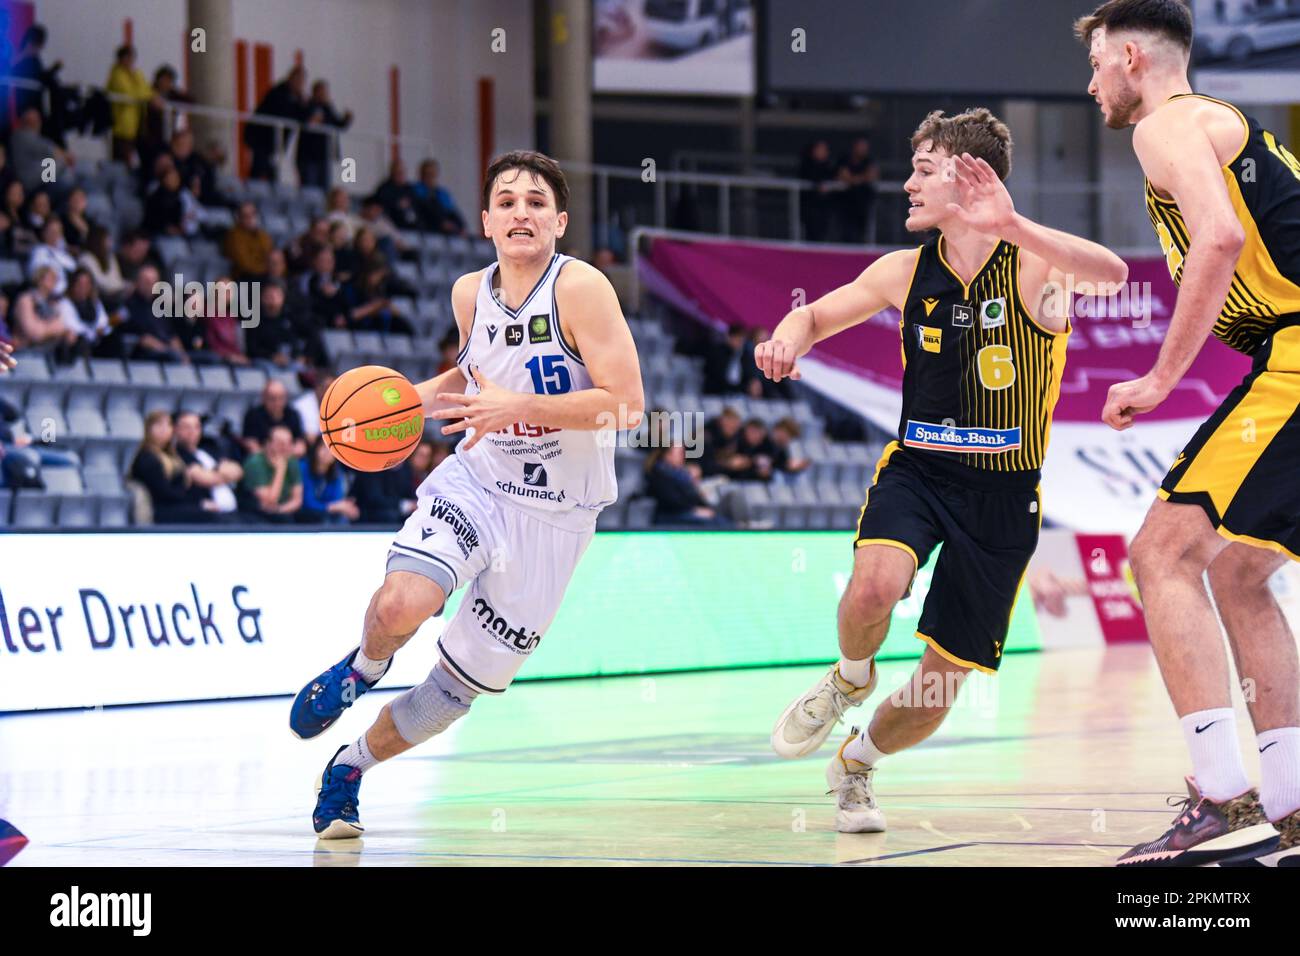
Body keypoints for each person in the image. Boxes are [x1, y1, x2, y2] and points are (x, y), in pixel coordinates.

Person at [759, 108, 1127, 834]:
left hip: (1004, 493)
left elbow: (1112, 274)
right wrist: (785, 337)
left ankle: (856, 764)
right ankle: (849, 678)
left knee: (938, 686)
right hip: (919, 471)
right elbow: (814, 317)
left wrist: (1013, 224)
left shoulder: (1034, 269)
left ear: (967, 179)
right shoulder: (903, 271)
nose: (906, 184)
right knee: (874, 586)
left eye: (923, 170)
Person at [288, 149, 645, 839]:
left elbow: (626, 406)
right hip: (480, 478)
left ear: (559, 222)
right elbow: (472, 379)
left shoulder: (581, 289)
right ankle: (360, 669)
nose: (521, 211)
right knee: (401, 602)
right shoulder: (468, 293)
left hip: (558, 517)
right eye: (506, 201)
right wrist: (399, 407)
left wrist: (521, 405)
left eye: (536, 202)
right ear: (485, 221)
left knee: (452, 695)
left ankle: (349, 767)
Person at [1079, 0, 1300, 867]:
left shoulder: (1167, 124)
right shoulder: (1233, 128)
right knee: (1242, 573)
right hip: (1280, 355)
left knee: (1163, 551)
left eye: (1096, 63)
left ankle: (1221, 796)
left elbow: (1218, 236)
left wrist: (1162, 378)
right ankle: (1287, 805)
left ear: (1132, 57)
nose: (1090, 82)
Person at [129, 411, 214, 524]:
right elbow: (163, 493)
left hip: (176, 505)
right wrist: (198, 503)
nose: (164, 429)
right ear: (148, 429)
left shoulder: (172, 456)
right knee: (210, 517)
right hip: (161, 510)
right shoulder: (147, 458)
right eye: (158, 425)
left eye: (168, 425)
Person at [173, 410, 242, 520]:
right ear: (176, 430)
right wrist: (223, 472)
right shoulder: (178, 455)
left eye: (196, 427)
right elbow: (205, 479)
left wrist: (217, 473)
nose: (192, 431)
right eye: (187, 427)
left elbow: (238, 470)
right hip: (209, 515)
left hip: (232, 512)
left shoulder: (208, 449)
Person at [245, 66, 307, 182]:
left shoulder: (297, 98)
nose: (299, 83)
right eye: (297, 79)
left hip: (275, 142)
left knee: (272, 171)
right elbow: (282, 112)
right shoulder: (278, 92)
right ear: (290, 78)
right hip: (262, 138)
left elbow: (301, 117)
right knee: (259, 168)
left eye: (301, 81)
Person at [644, 443, 730, 526]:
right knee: (712, 522)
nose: (683, 456)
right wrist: (693, 510)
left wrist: (695, 487)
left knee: (717, 517)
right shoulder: (659, 474)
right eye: (680, 453)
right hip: (669, 515)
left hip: (685, 511)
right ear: (667, 455)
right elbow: (671, 502)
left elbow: (693, 498)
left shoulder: (681, 474)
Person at [240, 423, 303, 522]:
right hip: (255, 516)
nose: (286, 448)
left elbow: (297, 500)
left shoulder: (291, 461)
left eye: (289, 443)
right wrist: (280, 469)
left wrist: (279, 510)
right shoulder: (255, 463)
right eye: (281, 444)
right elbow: (269, 502)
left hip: (282, 512)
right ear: (268, 443)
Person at [296, 80, 352, 191]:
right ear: (315, 92)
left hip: (324, 155)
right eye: (322, 91)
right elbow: (303, 121)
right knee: (309, 188)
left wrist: (347, 119)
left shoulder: (328, 108)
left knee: (324, 189)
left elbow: (338, 124)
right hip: (308, 155)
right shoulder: (307, 105)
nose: (325, 94)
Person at [106, 45, 152, 166]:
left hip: (137, 125)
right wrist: (142, 94)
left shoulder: (136, 73)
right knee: (122, 158)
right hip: (122, 126)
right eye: (127, 57)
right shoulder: (116, 74)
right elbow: (128, 94)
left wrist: (142, 93)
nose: (130, 61)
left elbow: (147, 91)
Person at [299, 435, 358, 524]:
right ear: (316, 449)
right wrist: (334, 507)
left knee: (342, 518)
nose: (327, 452)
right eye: (323, 447)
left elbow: (336, 499)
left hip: (327, 514)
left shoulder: (337, 473)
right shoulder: (303, 468)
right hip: (305, 514)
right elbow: (307, 503)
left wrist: (342, 507)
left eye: (331, 449)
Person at [241, 379, 306, 456]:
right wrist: (272, 456)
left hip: (288, 457)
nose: (277, 403)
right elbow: (251, 445)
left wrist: (284, 455)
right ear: (264, 398)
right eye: (272, 398)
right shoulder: (253, 415)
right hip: (263, 459)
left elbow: (300, 446)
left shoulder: (293, 415)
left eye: (281, 398)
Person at [837, 137, 879, 244]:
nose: (862, 149)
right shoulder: (846, 160)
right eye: (860, 146)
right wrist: (860, 178)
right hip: (846, 202)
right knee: (846, 230)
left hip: (863, 202)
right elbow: (844, 176)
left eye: (864, 147)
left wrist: (855, 179)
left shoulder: (869, 161)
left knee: (862, 230)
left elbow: (872, 175)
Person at [412, 159, 466, 235]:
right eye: (428, 174)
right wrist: (441, 223)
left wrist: (460, 227)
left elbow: (453, 212)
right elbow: (426, 211)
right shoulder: (416, 191)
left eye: (433, 175)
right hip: (428, 231)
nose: (431, 178)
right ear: (422, 175)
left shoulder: (442, 193)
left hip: (446, 233)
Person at [222, 202, 273, 280]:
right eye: (245, 216)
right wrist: (266, 268)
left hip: (263, 274)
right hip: (244, 277)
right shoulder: (233, 235)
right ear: (239, 218)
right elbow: (245, 264)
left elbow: (268, 254)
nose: (250, 218)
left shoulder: (262, 234)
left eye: (253, 214)